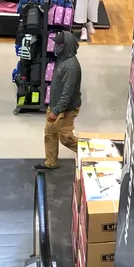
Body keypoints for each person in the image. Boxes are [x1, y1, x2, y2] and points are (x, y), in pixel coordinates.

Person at [43, 31, 81, 169]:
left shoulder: (71, 66)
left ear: (67, 45)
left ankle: (88, 154)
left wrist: (57, 111)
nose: (56, 46)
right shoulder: (62, 60)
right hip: (54, 106)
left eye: (59, 44)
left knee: (65, 137)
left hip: (66, 109)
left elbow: (67, 93)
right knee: (50, 133)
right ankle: (51, 162)